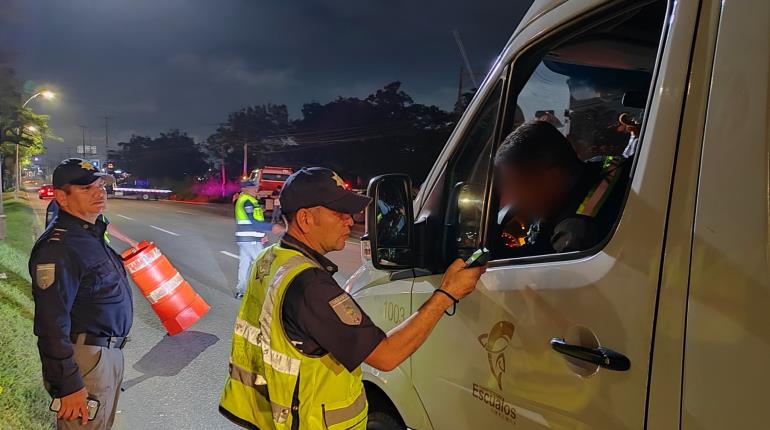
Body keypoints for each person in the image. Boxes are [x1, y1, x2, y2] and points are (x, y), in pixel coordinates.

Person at [219, 167, 486, 430]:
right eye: (340, 213)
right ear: (305, 219)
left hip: (271, 416)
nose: (350, 220)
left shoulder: (270, 258)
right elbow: (387, 356)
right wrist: (446, 294)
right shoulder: (311, 286)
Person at [28, 158, 133, 429]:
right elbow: (51, 323)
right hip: (85, 361)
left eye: (101, 186)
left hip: (106, 355)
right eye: (86, 189)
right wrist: (68, 384)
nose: (99, 193)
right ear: (62, 197)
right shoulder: (59, 247)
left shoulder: (89, 234)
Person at [494, 121, 629, 255]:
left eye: (517, 185)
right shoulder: (608, 168)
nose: (513, 198)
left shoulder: (575, 233)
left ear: (553, 175)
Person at [45, 199, 138, 248]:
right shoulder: (58, 205)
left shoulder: (86, 203)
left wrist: (131, 242)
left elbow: (105, 224)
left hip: (93, 251)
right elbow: (52, 232)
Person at [233, 179, 266, 299]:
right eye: (252, 187)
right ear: (245, 189)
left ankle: (241, 291)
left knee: (245, 264)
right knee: (261, 263)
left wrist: (262, 234)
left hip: (250, 237)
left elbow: (258, 219)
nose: (255, 189)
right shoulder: (246, 201)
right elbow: (253, 221)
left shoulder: (251, 200)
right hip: (249, 238)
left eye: (255, 187)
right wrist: (272, 228)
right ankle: (260, 292)